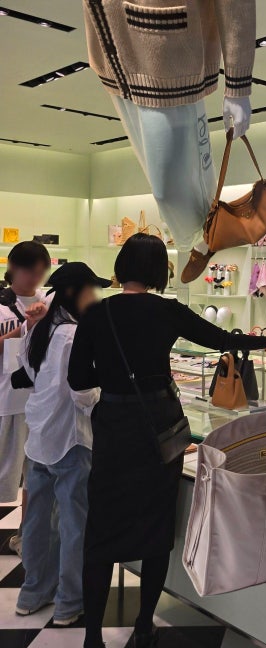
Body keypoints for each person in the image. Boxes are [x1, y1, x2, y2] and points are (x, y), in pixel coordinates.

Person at [67, 234, 266, 648]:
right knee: (156, 528)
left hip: (113, 429)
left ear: (122, 265)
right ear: (159, 270)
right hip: (158, 431)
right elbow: (224, 340)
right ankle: (145, 625)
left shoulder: (96, 314)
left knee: (101, 530)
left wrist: (111, 377)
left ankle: (93, 636)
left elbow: (77, 379)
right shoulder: (168, 312)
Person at [82, 0, 257, 279]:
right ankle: (205, 236)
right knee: (157, 181)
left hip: (166, 50)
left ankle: (207, 235)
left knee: (170, 189)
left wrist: (238, 84)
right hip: (110, 50)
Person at [14, 263, 109, 626]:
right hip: (71, 439)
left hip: (39, 437)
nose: (94, 297)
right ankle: (69, 602)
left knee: (38, 521)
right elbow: (82, 393)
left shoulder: (40, 329)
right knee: (73, 524)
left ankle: (32, 592)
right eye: (90, 290)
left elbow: (28, 372)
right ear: (73, 293)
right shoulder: (73, 335)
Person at [0, 241, 50, 557]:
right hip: (5, 402)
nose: (35, 277)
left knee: (36, 478)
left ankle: (24, 536)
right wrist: (23, 328)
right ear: (14, 268)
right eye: (30, 271)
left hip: (41, 403)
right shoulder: (2, 304)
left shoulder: (49, 301)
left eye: (41, 271)